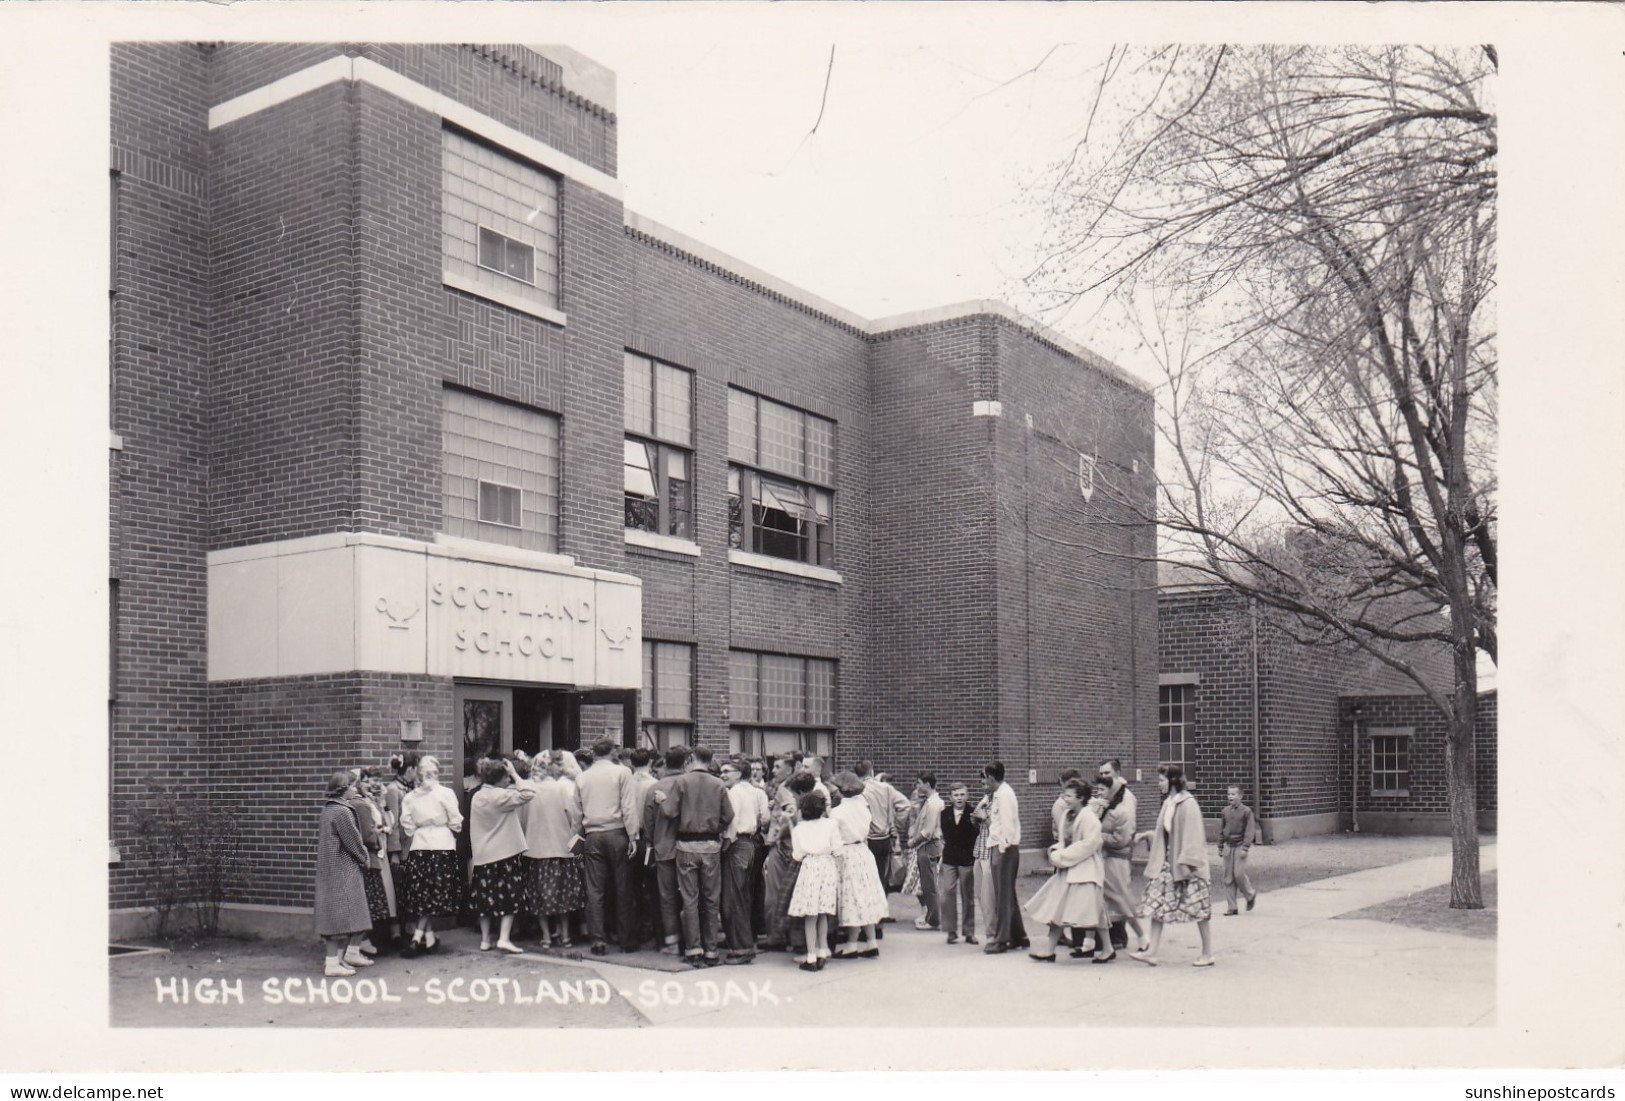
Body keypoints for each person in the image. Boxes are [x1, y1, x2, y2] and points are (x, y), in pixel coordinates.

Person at [656, 744, 735, 966]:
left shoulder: (682, 781)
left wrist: (663, 801)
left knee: (690, 900)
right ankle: (711, 951)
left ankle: (693, 949)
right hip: (710, 846)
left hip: (686, 846)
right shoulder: (719, 784)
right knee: (711, 899)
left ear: (691, 758)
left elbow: (669, 811)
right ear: (711, 760)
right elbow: (729, 815)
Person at [1023, 778, 1114, 963]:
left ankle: (1108, 948)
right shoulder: (1066, 815)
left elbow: (1089, 845)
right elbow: (1064, 841)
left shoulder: (1090, 818)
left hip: (1087, 871)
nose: (1065, 799)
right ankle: (1049, 951)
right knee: (1057, 909)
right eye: (1064, 795)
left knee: (1094, 911)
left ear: (1081, 798)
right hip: (1068, 871)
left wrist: (1062, 857)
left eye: (1069, 796)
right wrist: (1056, 850)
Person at [1132, 764, 1214, 967]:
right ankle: (1152, 952)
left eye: (1161, 780)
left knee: (1198, 908)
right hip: (1168, 863)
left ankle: (1207, 953)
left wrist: (1187, 862)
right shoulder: (1169, 802)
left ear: (1173, 781)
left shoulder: (1188, 803)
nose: (1158, 784)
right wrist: (1148, 835)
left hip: (1187, 866)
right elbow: (1168, 832)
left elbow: (1193, 835)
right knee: (1158, 904)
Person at [574, 739, 641, 955]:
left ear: (594, 754)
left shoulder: (583, 777)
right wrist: (633, 836)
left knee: (594, 889)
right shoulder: (622, 773)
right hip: (617, 832)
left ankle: (598, 940)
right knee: (623, 887)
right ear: (613, 751)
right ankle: (626, 938)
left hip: (593, 834)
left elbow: (577, 811)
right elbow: (628, 806)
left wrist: (578, 835)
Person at [468, 756, 537, 953]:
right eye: (506, 778)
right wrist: (516, 774)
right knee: (510, 897)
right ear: (499, 779)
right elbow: (529, 793)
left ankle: (484, 939)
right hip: (504, 853)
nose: (509, 781)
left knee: (485, 898)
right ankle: (504, 938)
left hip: (483, 855)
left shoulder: (478, 796)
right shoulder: (500, 796)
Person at [398, 755, 463, 957]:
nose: (430, 776)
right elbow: (406, 824)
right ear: (419, 774)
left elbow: (455, 821)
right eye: (426, 772)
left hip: (438, 843)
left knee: (430, 892)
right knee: (424, 893)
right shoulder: (411, 797)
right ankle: (425, 937)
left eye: (434, 772)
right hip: (425, 844)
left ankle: (422, 937)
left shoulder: (445, 793)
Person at [315, 771, 376, 976]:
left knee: (341, 916)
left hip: (331, 868)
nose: (355, 790)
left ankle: (338, 960)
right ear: (343, 789)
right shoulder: (343, 812)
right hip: (343, 868)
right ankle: (333, 963)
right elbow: (353, 842)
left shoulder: (328, 810)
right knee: (342, 916)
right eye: (352, 786)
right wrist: (364, 858)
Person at [829, 771, 888, 957]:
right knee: (865, 896)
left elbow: (834, 837)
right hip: (863, 852)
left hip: (847, 853)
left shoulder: (837, 812)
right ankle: (871, 942)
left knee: (852, 897)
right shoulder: (864, 808)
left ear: (841, 790)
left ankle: (851, 944)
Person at [721, 758, 770, 964]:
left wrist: (725, 843)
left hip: (738, 844)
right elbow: (764, 818)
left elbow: (731, 823)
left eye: (727, 771)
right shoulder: (755, 791)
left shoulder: (733, 793)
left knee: (733, 898)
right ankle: (744, 942)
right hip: (751, 844)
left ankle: (740, 949)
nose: (723, 774)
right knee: (744, 895)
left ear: (739, 774)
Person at [1094, 777, 1150, 954]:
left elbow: (1121, 840)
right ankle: (1102, 942)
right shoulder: (1103, 810)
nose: (1099, 793)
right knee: (1104, 900)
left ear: (1113, 792)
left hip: (1116, 862)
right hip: (1106, 860)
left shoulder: (1121, 813)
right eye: (1098, 789)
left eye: (1103, 790)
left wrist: (1097, 836)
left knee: (1121, 900)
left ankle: (1141, 935)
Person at [787, 788, 841, 971]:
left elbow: (797, 855)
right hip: (827, 866)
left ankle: (811, 956)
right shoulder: (831, 824)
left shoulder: (799, 829)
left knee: (810, 915)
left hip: (809, 867)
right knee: (823, 912)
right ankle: (822, 950)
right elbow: (838, 849)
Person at [644, 745, 688, 954]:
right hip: (687, 845)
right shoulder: (689, 784)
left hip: (663, 847)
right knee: (691, 894)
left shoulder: (654, 788)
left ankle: (671, 940)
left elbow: (649, 823)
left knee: (667, 896)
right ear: (685, 762)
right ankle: (692, 938)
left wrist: (652, 844)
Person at [983, 761, 1028, 954]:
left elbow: (1008, 824)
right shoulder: (1000, 793)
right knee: (1007, 893)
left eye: (985, 779)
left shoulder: (1004, 795)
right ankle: (1019, 936)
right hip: (1001, 848)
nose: (984, 783)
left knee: (1002, 896)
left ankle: (1001, 939)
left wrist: (1003, 848)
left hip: (1004, 849)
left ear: (991, 779)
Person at [1096, 757, 1138, 951]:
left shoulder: (1125, 798)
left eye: (1108, 773)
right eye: (1102, 773)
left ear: (1118, 773)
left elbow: (1123, 833)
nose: (1104, 777)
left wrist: (1098, 835)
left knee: (1118, 892)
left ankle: (1121, 935)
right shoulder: (1108, 794)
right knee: (1110, 893)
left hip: (1117, 852)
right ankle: (1113, 935)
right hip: (1107, 851)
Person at [855, 760, 912, 898]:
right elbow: (905, 805)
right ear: (871, 771)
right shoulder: (886, 788)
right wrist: (895, 825)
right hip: (884, 838)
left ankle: (871, 910)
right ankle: (882, 910)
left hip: (867, 839)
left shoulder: (858, 791)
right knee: (883, 875)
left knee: (866, 876)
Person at [383, 752, 419, 945]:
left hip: (414, 846)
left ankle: (411, 928)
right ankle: (395, 932)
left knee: (412, 889)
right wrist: (395, 853)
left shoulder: (413, 788)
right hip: (402, 849)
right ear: (410, 769)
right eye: (417, 769)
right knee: (398, 889)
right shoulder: (393, 790)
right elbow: (393, 822)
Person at [628, 747, 661, 951]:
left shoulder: (626, 784)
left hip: (631, 839)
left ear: (631, 763)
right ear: (649, 762)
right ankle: (656, 933)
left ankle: (634, 933)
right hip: (649, 840)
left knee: (631, 889)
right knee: (653, 888)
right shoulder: (655, 785)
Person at [938, 782, 978, 944]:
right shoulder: (944, 814)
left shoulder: (973, 814)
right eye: (956, 795)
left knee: (967, 894)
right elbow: (943, 835)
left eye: (962, 795)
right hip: (949, 858)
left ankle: (969, 931)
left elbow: (976, 835)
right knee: (947, 892)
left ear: (967, 796)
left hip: (966, 859)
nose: (959, 798)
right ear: (950, 797)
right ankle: (951, 930)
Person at [908, 771, 945, 931]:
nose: (917, 786)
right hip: (927, 847)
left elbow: (928, 831)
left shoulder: (933, 803)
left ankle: (934, 920)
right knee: (927, 884)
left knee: (930, 886)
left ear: (927, 785)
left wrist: (913, 842)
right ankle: (931, 916)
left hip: (929, 846)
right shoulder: (930, 802)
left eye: (919, 783)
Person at [1219, 785, 1260, 915]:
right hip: (1228, 846)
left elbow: (1249, 830)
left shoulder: (1246, 812)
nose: (1230, 796)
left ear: (1240, 796)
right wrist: (1220, 846)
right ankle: (1232, 906)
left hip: (1240, 845)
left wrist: (1245, 847)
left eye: (1233, 794)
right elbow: (1221, 830)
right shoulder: (1225, 811)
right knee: (1228, 877)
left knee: (1238, 874)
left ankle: (1250, 894)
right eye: (1229, 794)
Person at [972, 784, 997, 943]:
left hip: (990, 854)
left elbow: (999, 830)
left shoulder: (999, 803)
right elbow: (978, 827)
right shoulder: (985, 800)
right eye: (981, 783)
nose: (983, 786)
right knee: (980, 896)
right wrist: (975, 819)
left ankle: (992, 936)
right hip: (979, 852)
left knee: (989, 898)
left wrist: (984, 818)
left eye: (985, 782)